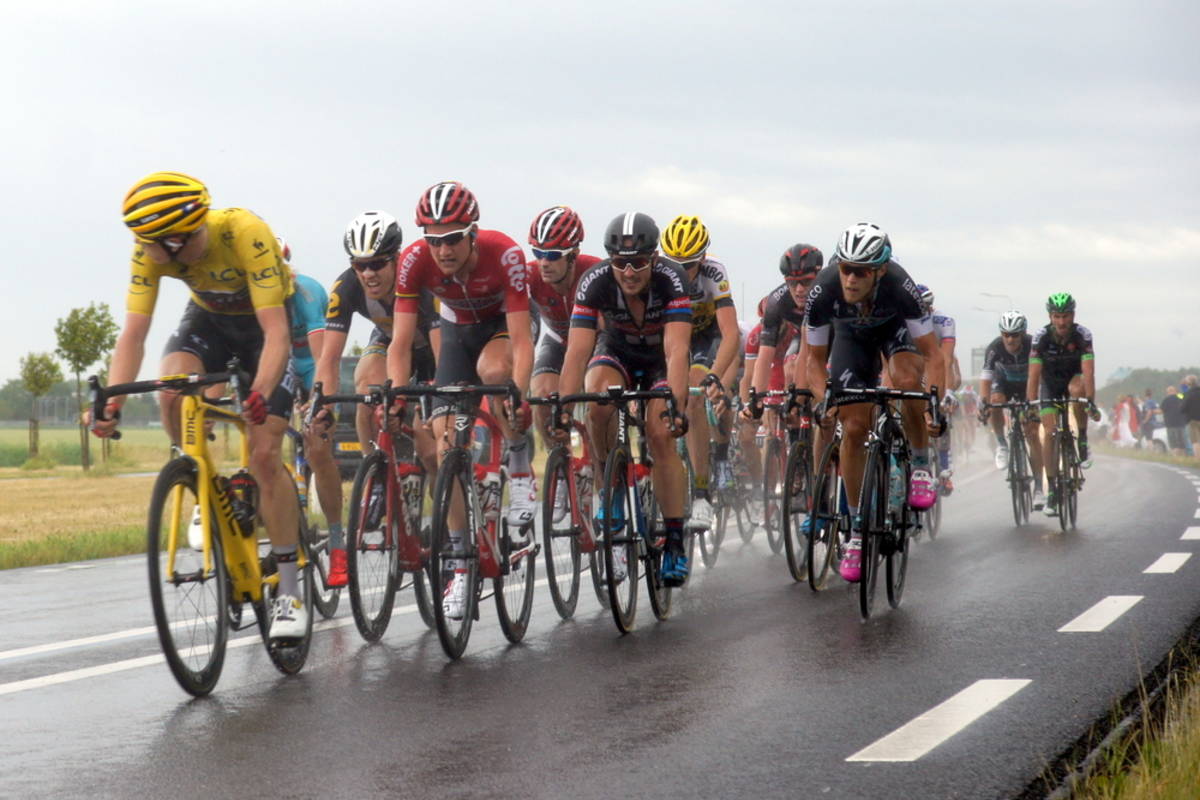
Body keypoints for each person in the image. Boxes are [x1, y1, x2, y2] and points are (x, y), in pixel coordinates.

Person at [92, 171, 306, 641]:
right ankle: (198, 478)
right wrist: (112, 398)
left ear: (177, 240)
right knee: (172, 389)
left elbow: (276, 334)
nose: (141, 249)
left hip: (265, 329)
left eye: (148, 243)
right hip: (209, 321)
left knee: (264, 454)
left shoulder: (245, 233)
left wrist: (260, 393)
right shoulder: (149, 251)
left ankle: (289, 589)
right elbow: (134, 334)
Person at [386, 181, 533, 619]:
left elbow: (522, 341)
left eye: (452, 238)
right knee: (446, 446)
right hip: (456, 333)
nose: (443, 249)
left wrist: (519, 394)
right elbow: (399, 342)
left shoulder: (504, 253)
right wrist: (395, 395)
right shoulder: (413, 261)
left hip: (502, 328)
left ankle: (519, 460)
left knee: (495, 373)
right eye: (434, 240)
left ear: (472, 233)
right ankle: (460, 564)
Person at [556, 212, 692, 586]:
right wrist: (563, 407)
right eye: (620, 263)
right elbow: (576, 353)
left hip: (660, 359)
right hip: (617, 352)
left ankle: (675, 541)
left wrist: (676, 406)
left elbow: (677, 350)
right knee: (598, 401)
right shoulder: (594, 281)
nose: (629, 272)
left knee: (661, 434)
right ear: (609, 260)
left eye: (638, 263)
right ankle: (612, 487)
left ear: (654, 258)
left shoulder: (672, 278)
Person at [805, 223, 944, 583]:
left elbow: (933, 354)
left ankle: (920, 467)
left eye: (861, 271)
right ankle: (856, 531)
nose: (851, 279)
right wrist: (824, 400)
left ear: (880, 270)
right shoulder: (823, 289)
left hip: (895, 331)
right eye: (845, 268)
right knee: (852, 428)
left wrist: (934, 404)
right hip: (851, 339)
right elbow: (814, 361)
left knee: (907, 381)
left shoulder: (900, 285)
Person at [308, 211, 439, 587]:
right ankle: (377, 472)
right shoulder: (346, 286)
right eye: (360, 264)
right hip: (389, 341)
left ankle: (446, 511)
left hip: (433, 347)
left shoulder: (420, 279)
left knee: (430, 445)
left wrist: (423, 399)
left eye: (378, 263)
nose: (368, 273)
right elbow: (329, 358)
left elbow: (441, 350)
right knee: (367, 390)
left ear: (396, 257)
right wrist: (322, 403)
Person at [659, 215, 739, 530]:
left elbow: (730, 334)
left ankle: (702, 493)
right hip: (673, 337)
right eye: (674, 264)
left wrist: (714, 376)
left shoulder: (714, 272)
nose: (680, 272)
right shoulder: (657, 274)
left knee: (695, 392)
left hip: (706, 337)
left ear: (702, 259)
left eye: (688, 265)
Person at [526, 206, 602, 448]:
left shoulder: (595, 272)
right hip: (557, 340)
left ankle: (602, 462)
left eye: (552, 255)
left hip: (597, 343)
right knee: (542, 397)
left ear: (573, 254)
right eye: (538, 253)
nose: (543, 263)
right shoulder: (530, 275)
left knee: (598, 405)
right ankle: (559, 462)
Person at [1025, 292, 1100, 516]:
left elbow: (1089, 372)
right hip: (1050, 384)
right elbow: (1034, 374)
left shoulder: (1082, 335)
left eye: (1065, 316)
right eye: (1057, 316)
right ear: (1050, 317)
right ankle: (1052, 489)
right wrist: (1030, 404)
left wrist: (1090, 401)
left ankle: (1083, 438)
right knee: (1049, 433)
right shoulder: (1041, 337)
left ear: (1073, 315)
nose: (1061, 322)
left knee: (1078, 390)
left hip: (1073, 379)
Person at [979, 310, 1045, 506]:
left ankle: (1039, 488)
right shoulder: (994, 348)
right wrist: (983, 403)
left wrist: (1036, 401)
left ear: (1023, 333)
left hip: (1028, 385)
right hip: (1004, 383)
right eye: (1006, 334)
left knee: (1032, 433)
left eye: (1014, 335)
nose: (1010, 339)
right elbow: (986, 377)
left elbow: (1041, 375)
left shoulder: (1033, 345)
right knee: (995, 401)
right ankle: (1002, 444)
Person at [915, 284, 960, 494]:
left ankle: (944, 467)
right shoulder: (904, 320)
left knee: (940, 406)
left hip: (939, 366)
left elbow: (946, 360)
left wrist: (948, 391)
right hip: (914, 366)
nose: (921, 313)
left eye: (925, 308)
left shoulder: (943, 322)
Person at [1162, 385, 1190, 456]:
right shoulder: (1179, 396)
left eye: (1167, 392)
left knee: (1173, 444)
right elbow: (1186, 398)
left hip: (1170, 424)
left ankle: (1176, 457)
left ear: (1168, 392)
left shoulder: (1166, 400)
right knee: (1182, 443)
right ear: (1175, 391)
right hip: (1181, 423)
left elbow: (1162, 410)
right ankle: (1184, 457)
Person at [1183, 375, 1200, 456]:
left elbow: (1183, 407)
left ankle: (1198, 458)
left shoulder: (1187, 393)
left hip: (1192, 420)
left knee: (1195, 441)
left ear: (1188, 383)